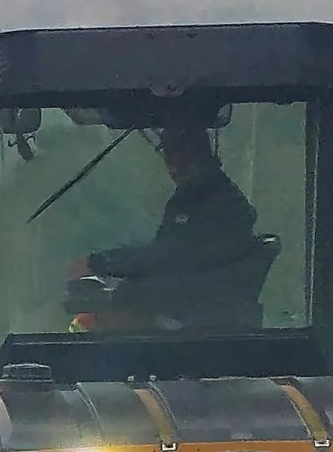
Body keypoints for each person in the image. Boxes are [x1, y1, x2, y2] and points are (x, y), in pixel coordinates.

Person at [80, 123, 263, 330]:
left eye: (183, 155)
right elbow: (166, 255)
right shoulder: (193, 197)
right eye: (168, 155)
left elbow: (171, 258)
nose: (173, 166)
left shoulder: (219, 204)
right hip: (190, 316)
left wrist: (102, 263)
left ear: (202, 152)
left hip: (199, 325)